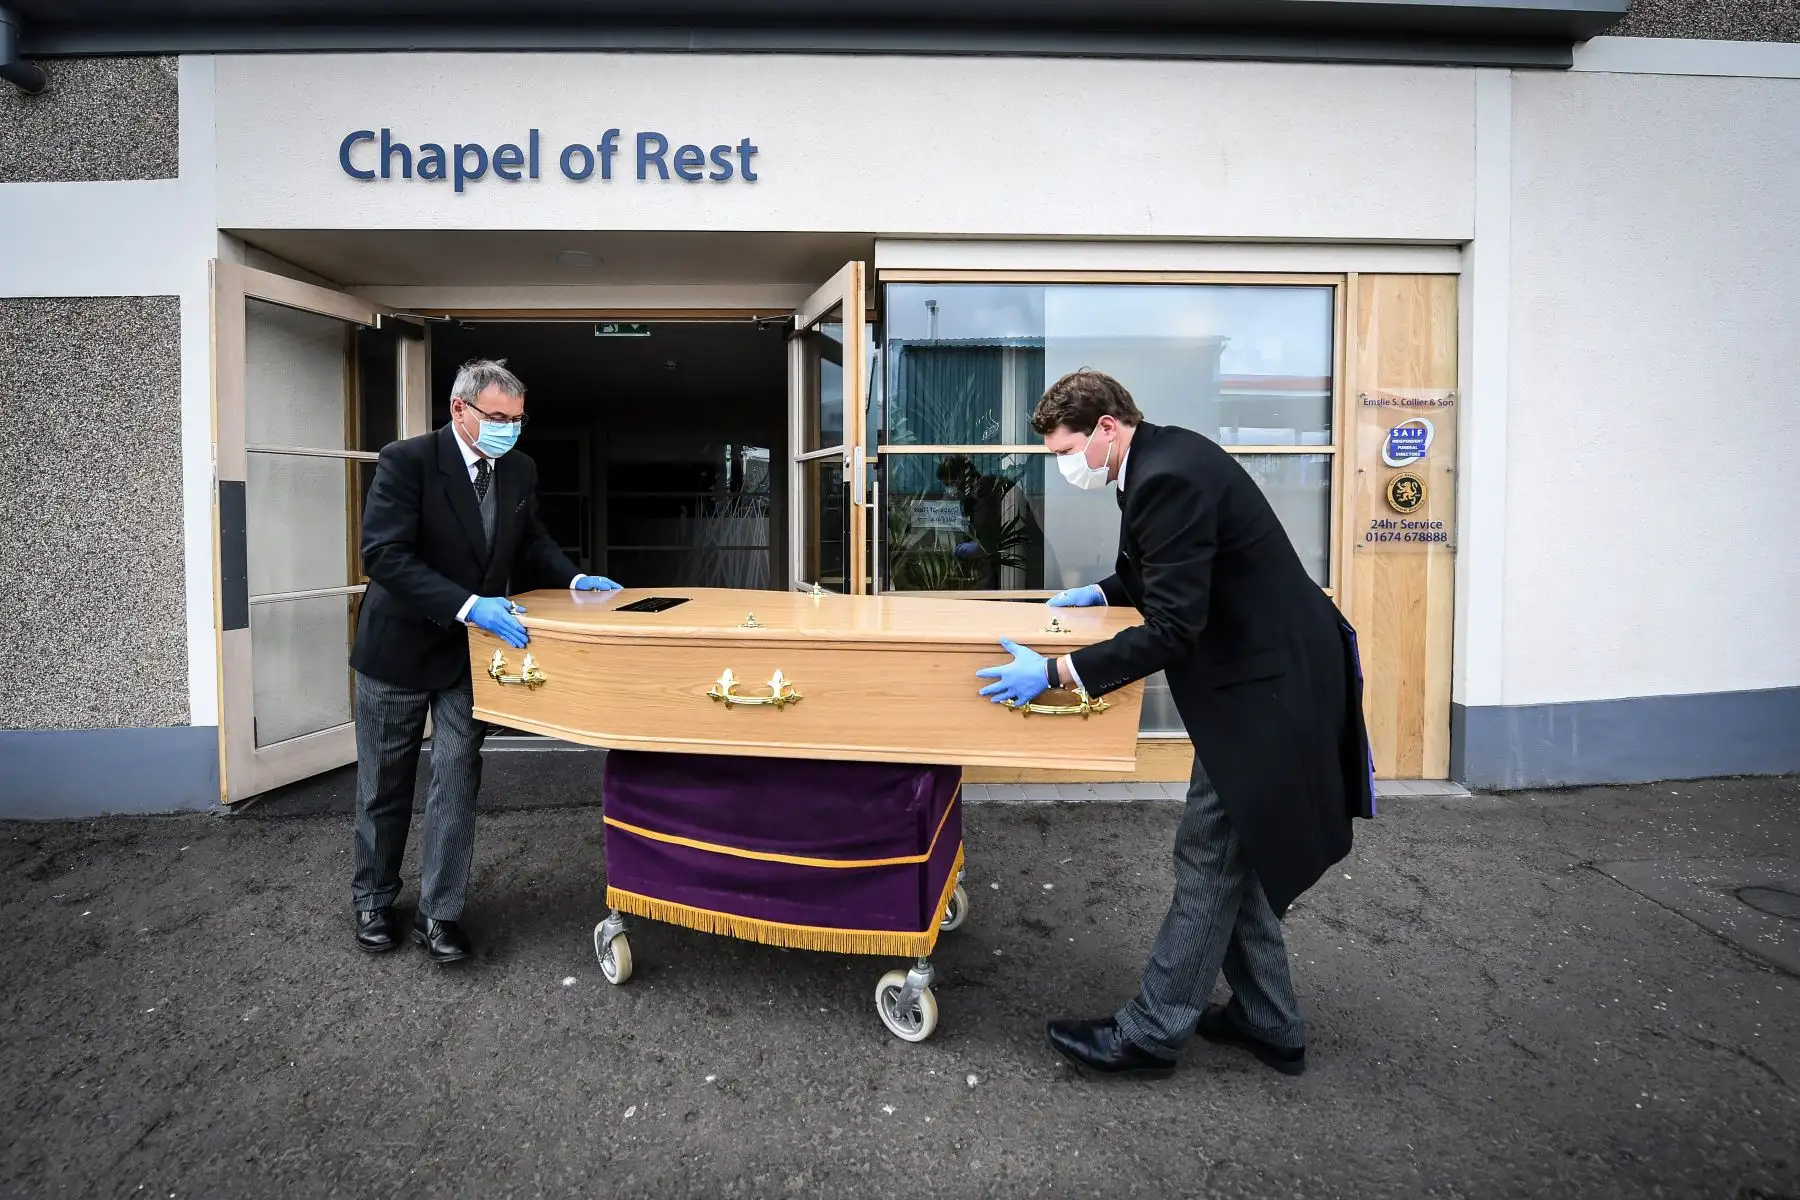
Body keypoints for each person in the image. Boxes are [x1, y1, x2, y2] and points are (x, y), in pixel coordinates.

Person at [976, 369, 1374, 1078]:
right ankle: (1268, 1020)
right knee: (1232, 856)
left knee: (1208, 854)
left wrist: (1059, 672)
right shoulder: (1162, 458)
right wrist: (1100, 591)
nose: (1066, 466)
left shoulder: (1167, 477)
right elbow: (1172, 564)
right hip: (1271, 675)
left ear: (1105, 427)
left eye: (1066, 450)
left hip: (1271, 687)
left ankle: (1150, 1033)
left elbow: (1174, 626)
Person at [349, 358, 622, 964]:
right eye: (497, 418)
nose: (508, 431)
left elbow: (529, 543)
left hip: (467, 658)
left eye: (517, 421)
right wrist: (470, 604)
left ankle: (439, 913)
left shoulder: (517, 469)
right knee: (383, 785)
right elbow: (384, 555)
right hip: (397, 650)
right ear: (459, 410)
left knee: (456, 782)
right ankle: (373, 898)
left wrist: (575, 577)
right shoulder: (407, 461)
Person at [937, 454, 1045, 589]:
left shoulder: (990, 490)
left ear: (961, 478)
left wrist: (978, 547)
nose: (950, 490)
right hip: (1002, 562)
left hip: (1020, 561)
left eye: (950, 484)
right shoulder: (975, 495)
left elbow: (991, 533)